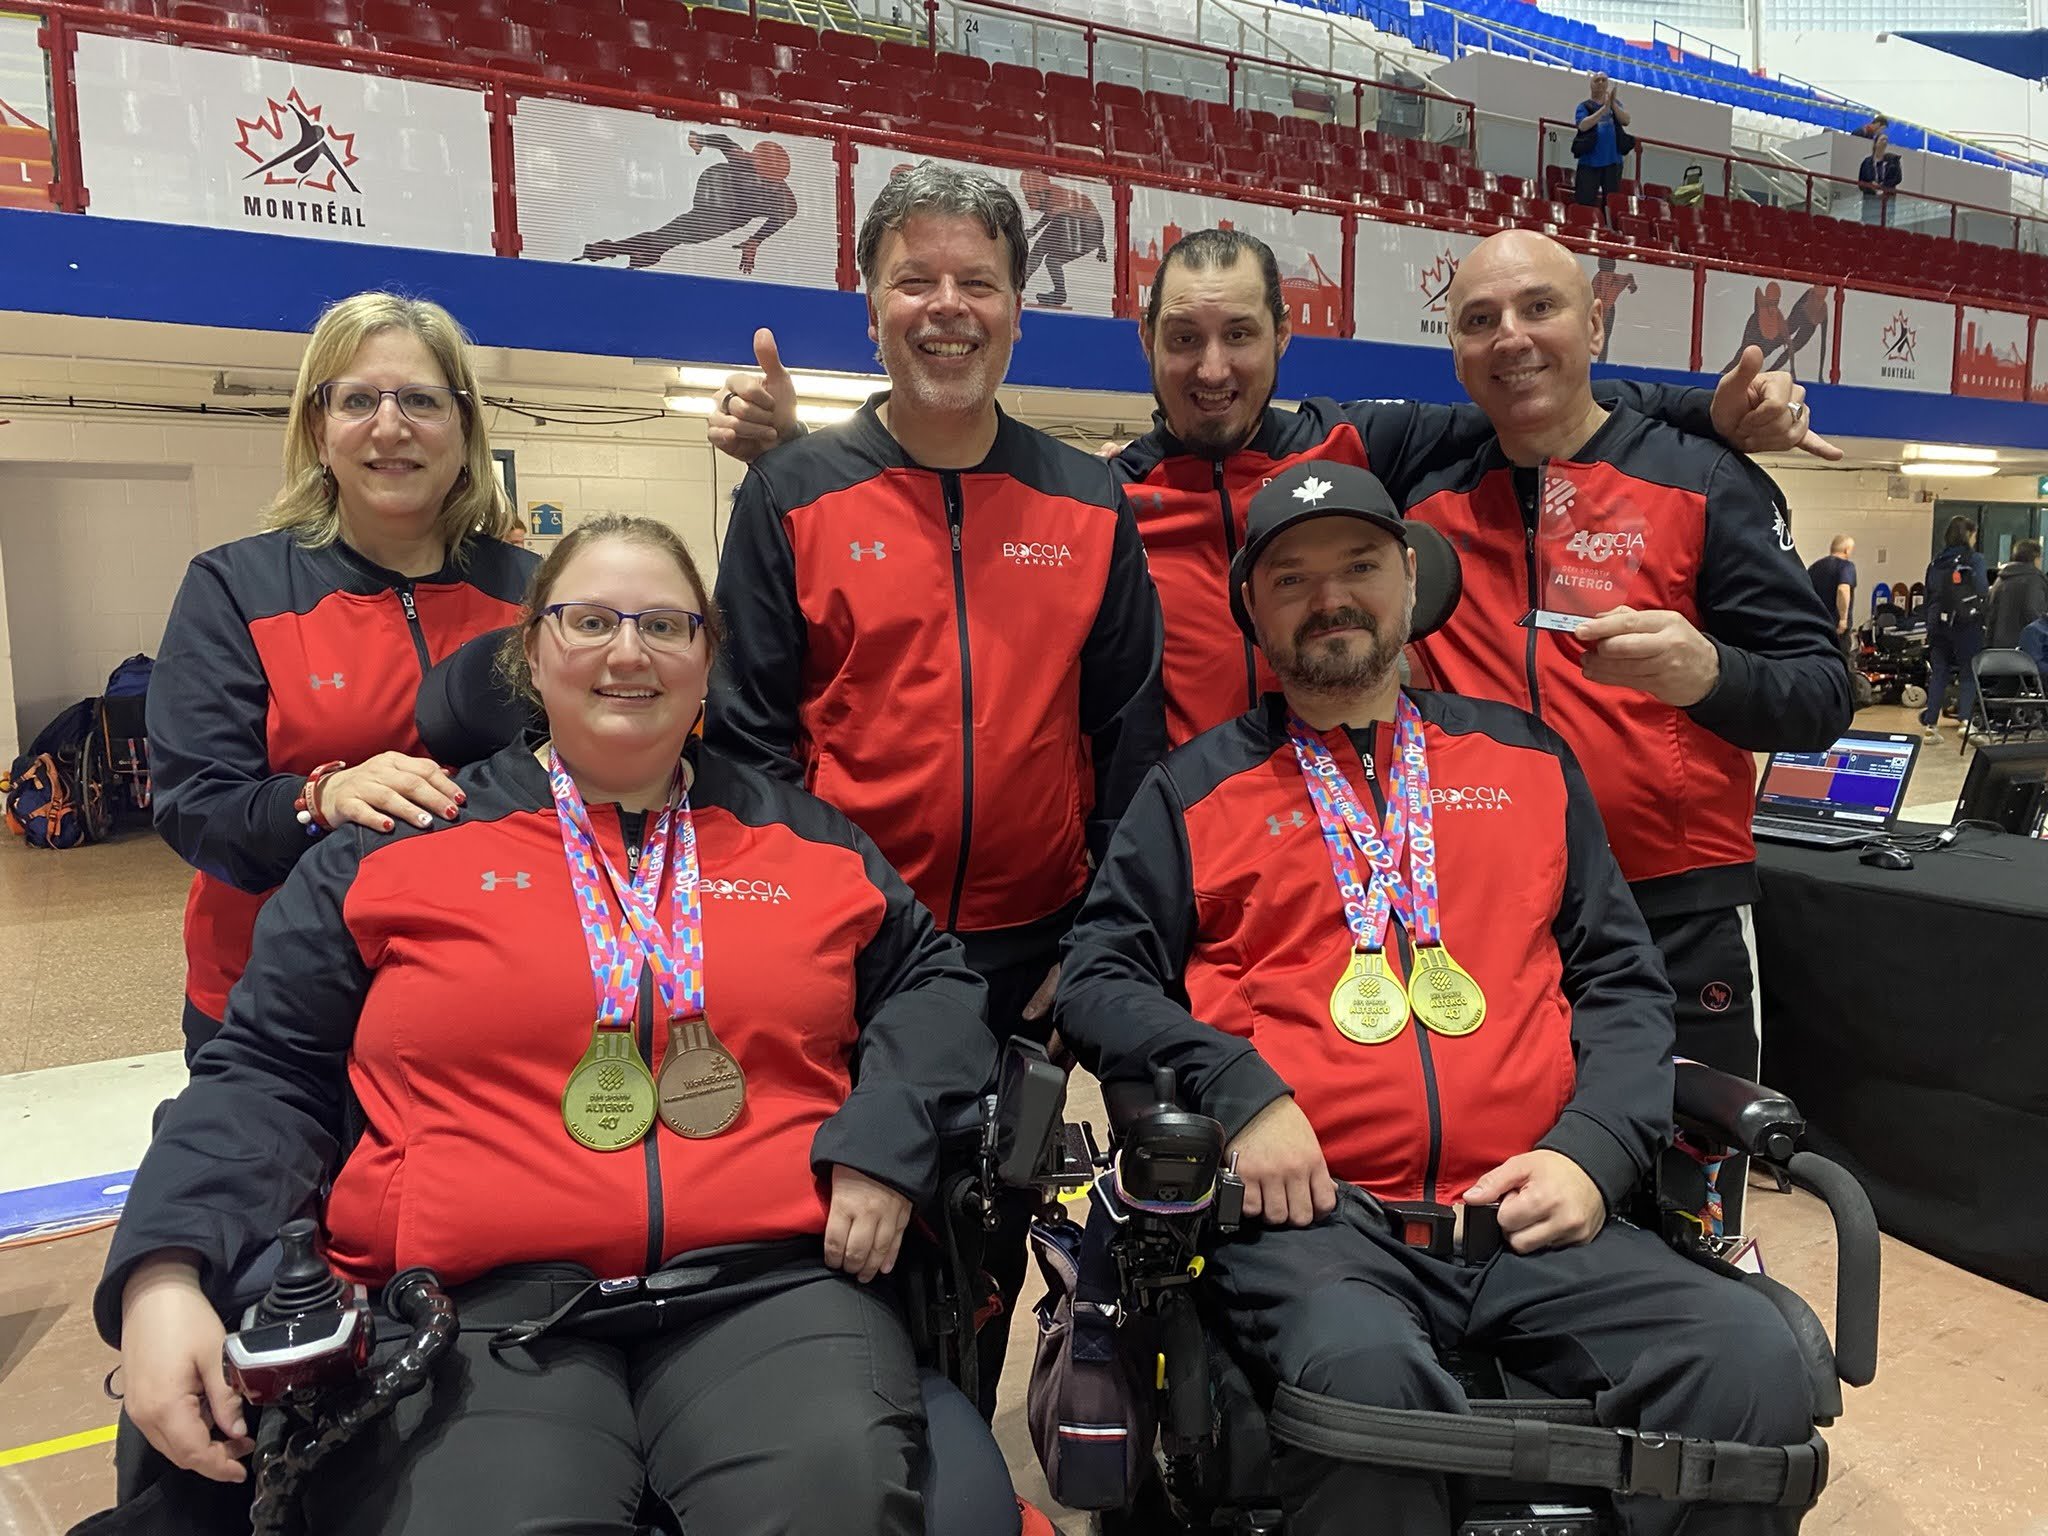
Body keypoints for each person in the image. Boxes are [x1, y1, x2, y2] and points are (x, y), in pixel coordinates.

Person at [102, 515, 998, 1536]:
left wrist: (885, 1134)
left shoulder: (805, 839)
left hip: (769, 1284)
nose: (629, 651)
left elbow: (932, 981)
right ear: (532, 651)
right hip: (477, 1306)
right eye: (590, 620)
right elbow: (264, 1072)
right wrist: (164, 1270)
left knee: (828, 1504)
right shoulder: (395, 849)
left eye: (665, 624)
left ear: (707, 659)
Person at [1056, 460, 1817, 1536]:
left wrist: (1594, 1151)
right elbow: (1095, 978)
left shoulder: (1524, 761)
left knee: (1750, 1370)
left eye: (1359, 565)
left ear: (1409, 579)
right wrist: (1239, 1089)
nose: (1330, 597)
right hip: (1320, 1225)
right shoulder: (1190, 790)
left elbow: (1618, 980)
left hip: (1535, 1211)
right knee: (1365, 1391)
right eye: (1291, 580)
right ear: (1250, 613)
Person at [712, 228, 1834, 749]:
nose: (1211, 368)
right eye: (1184, 338)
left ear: (1283, 336)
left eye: (1239, 334)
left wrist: (1708, 413)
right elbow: (939, 488)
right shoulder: (1095, 496)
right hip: (1194, 827)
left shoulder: (1366, 445)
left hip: (1375, 812)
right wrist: (799, 450)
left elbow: (1534, 391)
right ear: (1142, 345)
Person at [706, 162, 1163, 1402]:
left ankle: (952, 1450)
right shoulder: (792, 494)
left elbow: (1127, 739)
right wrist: (796, 934)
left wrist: (1098, 936)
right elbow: (745, 745)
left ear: (1019, 309)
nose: (946, 306)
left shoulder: (1086, 501)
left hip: (1027, 961)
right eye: (916, 280)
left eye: (978, 282)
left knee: (984, 1253)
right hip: (846, 958)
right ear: (870, 306)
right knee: (838, 1248)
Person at [1402, 230, 1852, 1233]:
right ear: (1455, 351)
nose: (1510, 339)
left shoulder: (1705, 485)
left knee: (1686, 1228)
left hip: (1673, 928)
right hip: (1490, 932)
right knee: (1510, 1215)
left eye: (1537, 309)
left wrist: (1709, 673)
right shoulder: (1426, 508)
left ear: (1594, 322)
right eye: (1478, 321)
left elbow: (1823, 694)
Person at [149, 292, 536, 1062]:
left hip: (490, 989)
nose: (390, 428)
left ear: (463, 428)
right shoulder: (236, 587)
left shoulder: (536, 594)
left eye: (422, 400)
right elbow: (194, 806)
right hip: (277, 1002)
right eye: (358, 400)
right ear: (318, 430)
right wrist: (319, 799)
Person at [576, 132, 797, 275]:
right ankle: (609, 250)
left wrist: (754, 241)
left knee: (670, 239)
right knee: (672, 235)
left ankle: (631, 255)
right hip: (714, 196)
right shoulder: (744, 161)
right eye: (763, 178)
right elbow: (723, 140)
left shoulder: (783, 201)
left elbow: (778, 220)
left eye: (773, 182)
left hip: (725, 215)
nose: (768, 185)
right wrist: (698, 140)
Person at [1921, 515, 1990, 743]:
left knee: (1939, 672)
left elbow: (1928, 594)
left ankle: (1930, 725)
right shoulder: (1974, 559)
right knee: (1968, 672)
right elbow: (1981, 589)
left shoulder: (1936, 561)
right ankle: (1965, 722)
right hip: (1965, 623)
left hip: (1938, 624)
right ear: (1969, 535)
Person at [1018, 167, 1107, 309]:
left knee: (1040, 248)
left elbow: (1063, 215)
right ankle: (1059, 293)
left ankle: (1017, 287)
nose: (1027, 201)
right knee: (1053, 260)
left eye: (1028, 196)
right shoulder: (1053, 198)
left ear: (1040, 193)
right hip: (1091, 232)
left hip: (1087, 229)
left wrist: (1035, 230)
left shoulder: (1056, 197)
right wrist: (1100, 245)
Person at [1572, 72, 1631, 229]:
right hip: (1589, 163)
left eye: (1604, 80)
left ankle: (1609, 232)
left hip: (1613, 163)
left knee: (1611, 203)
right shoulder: (1584, 106)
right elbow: (1583, 125)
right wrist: (1602, 110)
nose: (1600, 82)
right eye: (1596, 80)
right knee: (1585, 201)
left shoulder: (1616, 105)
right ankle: (1583, 230)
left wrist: (1611, 105)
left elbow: (1626, 120)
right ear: (1591, 85)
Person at [1806, 534, 1858, 668]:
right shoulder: (1846, 566)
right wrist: (1843, 619)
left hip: (1817, 625)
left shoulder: (1814, 567)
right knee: (1841, 663)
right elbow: (1843, 590)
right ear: (1846, 550)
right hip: (1837, 628)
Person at [1986, 537, 2048, 650]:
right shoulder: (2033, 580)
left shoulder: (2000, 580)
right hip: (2024, 649)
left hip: (1998, 647)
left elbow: (1990, 614)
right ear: (2035, 559)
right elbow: (2034, 614)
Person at [1591, 254, 1637, 363]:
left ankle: (1601, 363)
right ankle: (1600, 363)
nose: (1607, 278)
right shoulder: (1601, 279)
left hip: (1604, 309)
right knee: (1600, 337)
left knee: (1603, 338)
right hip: (1600, 308)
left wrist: (1633, 285)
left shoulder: (1607, 279)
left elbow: (1628, 278)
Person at [1857, 135, 1901, 227]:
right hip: (1870, 200)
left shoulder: (1893, 161)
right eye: (1882, 139)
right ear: (1876, 143)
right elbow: (1861, 182)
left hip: (1887, 199)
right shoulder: (1867, 162)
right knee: (1870, 225)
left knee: (1886, 224)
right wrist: (1871, 187)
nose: (1884, 142)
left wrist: (1883, 187)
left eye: (1886, 140)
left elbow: (1897, 178)